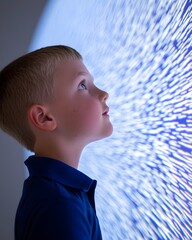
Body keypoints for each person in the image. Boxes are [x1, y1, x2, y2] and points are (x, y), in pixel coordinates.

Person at [0, 45, 113, 240]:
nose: (104, 94)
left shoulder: (49, 195)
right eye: (82, 85)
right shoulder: (59, 206)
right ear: (44, 118)